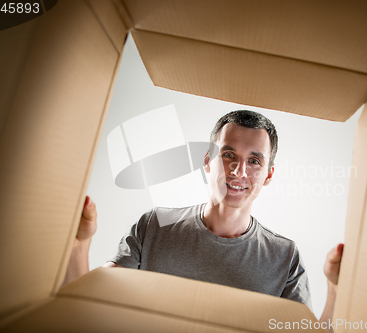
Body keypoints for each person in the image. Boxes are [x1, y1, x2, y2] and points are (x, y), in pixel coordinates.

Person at [64, 110, 343, 331]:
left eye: (255, 161)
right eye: (228, 154)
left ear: (268, 175)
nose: (239, 170)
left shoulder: (285, 257)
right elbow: (88, 309)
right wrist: (78, 245)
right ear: (207, 161)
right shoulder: (154, 226)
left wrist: (336, 291)